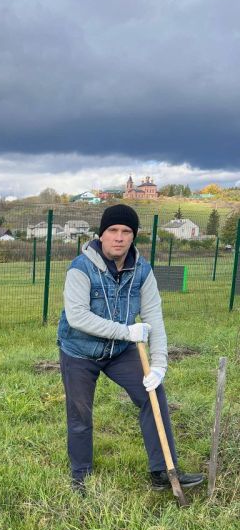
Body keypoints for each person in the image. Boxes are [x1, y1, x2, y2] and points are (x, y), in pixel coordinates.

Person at [57, 204, 204, 494]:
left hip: (121, 352)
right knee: (80, 414)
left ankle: (163, 471)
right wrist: (126, 331)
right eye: (113, 230)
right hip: (79, 351)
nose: (119, 237)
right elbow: (78, 316)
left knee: (153, 396)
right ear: (101, 235)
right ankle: (81, 477)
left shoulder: (142, 271)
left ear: (133, 237)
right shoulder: (81, 268)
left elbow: (154, 318)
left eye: (126, 232)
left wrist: (160, 364)